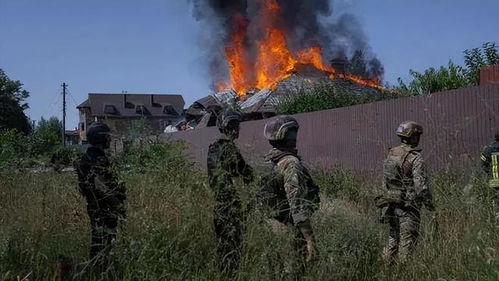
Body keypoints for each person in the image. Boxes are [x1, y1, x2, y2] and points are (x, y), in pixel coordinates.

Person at [260, 116, 319, 269]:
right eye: (292, 135)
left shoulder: (268, 161)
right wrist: (310, 239)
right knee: (293, 270)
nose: (295, 139)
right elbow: (296, 203)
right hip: (287, 228)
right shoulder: (291, 163)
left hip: (268, 227)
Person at [376, 121, 435, 264]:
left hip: (390, 204)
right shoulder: (415, 158)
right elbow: (421, 187)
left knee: (392, 241)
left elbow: (385, 181)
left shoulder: (391, 154)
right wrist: (430, 205)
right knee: (407, 246)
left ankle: (386, 271)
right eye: (417, 135)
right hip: (409, 208)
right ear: (413, 137)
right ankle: (403, 273)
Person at [74, 122, 126, 270]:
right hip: (104, 208)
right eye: (107, 137)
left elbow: (82, 188)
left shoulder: (85, 158)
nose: (109, 140)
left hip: (94, 207)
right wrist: (117, 203)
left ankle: (97, 268)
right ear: (100, 138)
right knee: (105, 241)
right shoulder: (98, 159)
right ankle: (100, 270)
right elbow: (101, 186)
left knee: (98, 240)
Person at [207, 109, 253, 275]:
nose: (237, 129)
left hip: (219, 205)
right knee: (234, 248)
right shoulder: (229, 149)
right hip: (231, 206)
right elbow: (247, 175)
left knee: (223, 247)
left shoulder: (213, 148)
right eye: (235, 125)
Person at [480, 131, 499, 219]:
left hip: (494, 179)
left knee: (495, 198)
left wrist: (489, 173)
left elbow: (483, 163)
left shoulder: (489, 149)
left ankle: (496, 217)